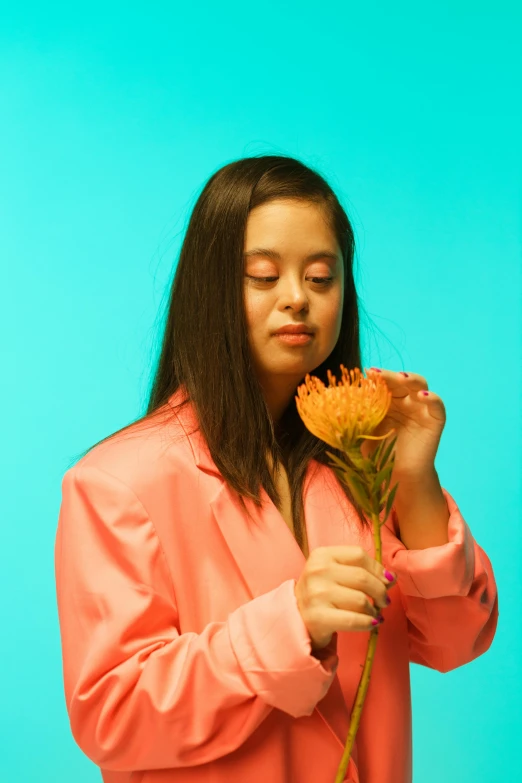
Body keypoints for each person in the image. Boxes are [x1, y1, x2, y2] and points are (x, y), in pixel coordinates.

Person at [54, 155, 498, 783]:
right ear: (210, 291)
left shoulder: (357, 460)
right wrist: (288, 623)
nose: (297, 298)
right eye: (263, 276)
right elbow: (113, 716)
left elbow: (458, 640)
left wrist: (413, 477)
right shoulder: (117, 484)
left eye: (321, 278)